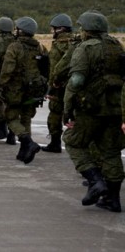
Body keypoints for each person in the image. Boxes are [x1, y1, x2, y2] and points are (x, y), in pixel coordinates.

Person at [63, 11, 124, 212]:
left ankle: (95, 181)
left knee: (73, 141)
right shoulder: (116, 46)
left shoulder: (85, 48)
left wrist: (67, 108)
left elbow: (76, 81)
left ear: (87, 30)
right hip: (114, 107)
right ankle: (113, 199)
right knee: (111, 151)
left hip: (91, 108)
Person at [0, 16, 48, 165]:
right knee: (26, 118)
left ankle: (28, 143)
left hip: (16, 90)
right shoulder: (40, 47)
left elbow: (7, 70)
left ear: (21, 31)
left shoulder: (15, 47)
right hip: (34, 90)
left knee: (11, 117)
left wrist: (1, 86)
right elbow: (45, 68)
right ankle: (23, 151)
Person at [42, 13, 76, 153]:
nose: (51, 32)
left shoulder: (58, 45)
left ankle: (55, 143)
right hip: (74, 86)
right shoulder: (76, 43)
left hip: (59, 87)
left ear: (60, 29)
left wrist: (51, 86)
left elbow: (55, 68)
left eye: (53, 29)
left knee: (55, 113)